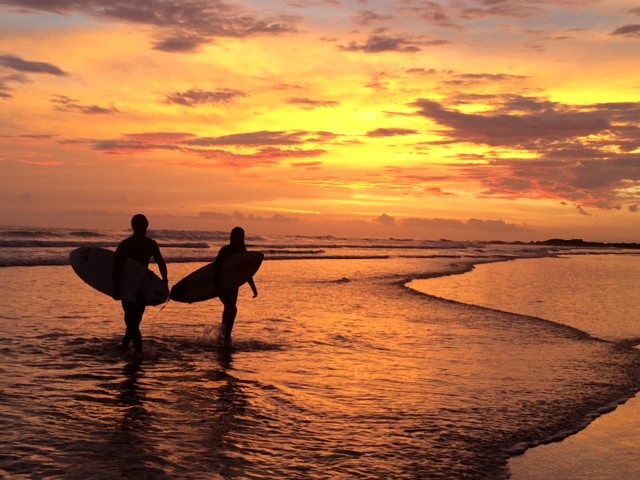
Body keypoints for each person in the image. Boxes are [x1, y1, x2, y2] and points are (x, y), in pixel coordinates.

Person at [112, 214, 168, 355]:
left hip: (142, 285)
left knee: (136, 319)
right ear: (132, 226)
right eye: (136, 224)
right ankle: (138, 351)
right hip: (127, 285)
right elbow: (116, 268)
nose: (139, 227)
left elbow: (160, 262)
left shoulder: (151, 244)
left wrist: (164, 280)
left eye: (141, 224)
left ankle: (125, 345)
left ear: (146, 225)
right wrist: (116, 288)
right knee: (131, 318)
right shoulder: (125, 245)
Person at [213, 227, 258, 341]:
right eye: (237, 235)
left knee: (228, 309)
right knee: (233, 309)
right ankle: (227, 336)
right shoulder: (225, 250)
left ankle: (222, 334)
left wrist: (253, 288)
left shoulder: (242, 252)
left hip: (234, 285)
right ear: (231, 237)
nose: (239, 237)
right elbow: (216, 269)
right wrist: (217, 287)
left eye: (241, 235)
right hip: (222, 285)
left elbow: (247, 272)